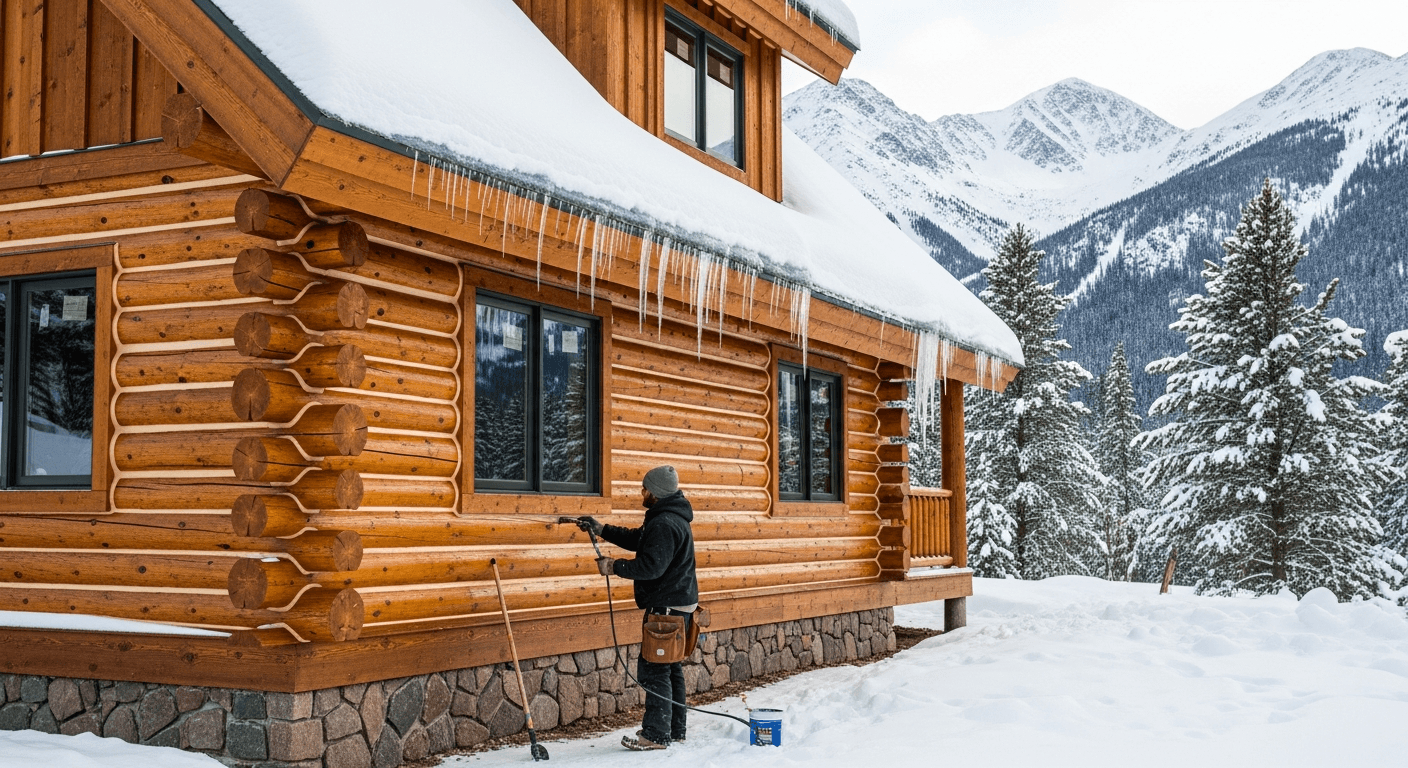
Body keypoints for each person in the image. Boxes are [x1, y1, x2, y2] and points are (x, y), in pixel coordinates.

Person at [573, 465, 698, 751]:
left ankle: (655, 735)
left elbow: (651, 566)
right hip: (680, 603)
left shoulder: (665, 523)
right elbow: (641, 542)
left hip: (667, 607)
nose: (642, 492)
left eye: (645, 488)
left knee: (655, 670)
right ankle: (674, 729)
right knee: (670, 668)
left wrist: (614, 567)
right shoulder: (669, 517)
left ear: (655, 492)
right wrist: (602, 529)